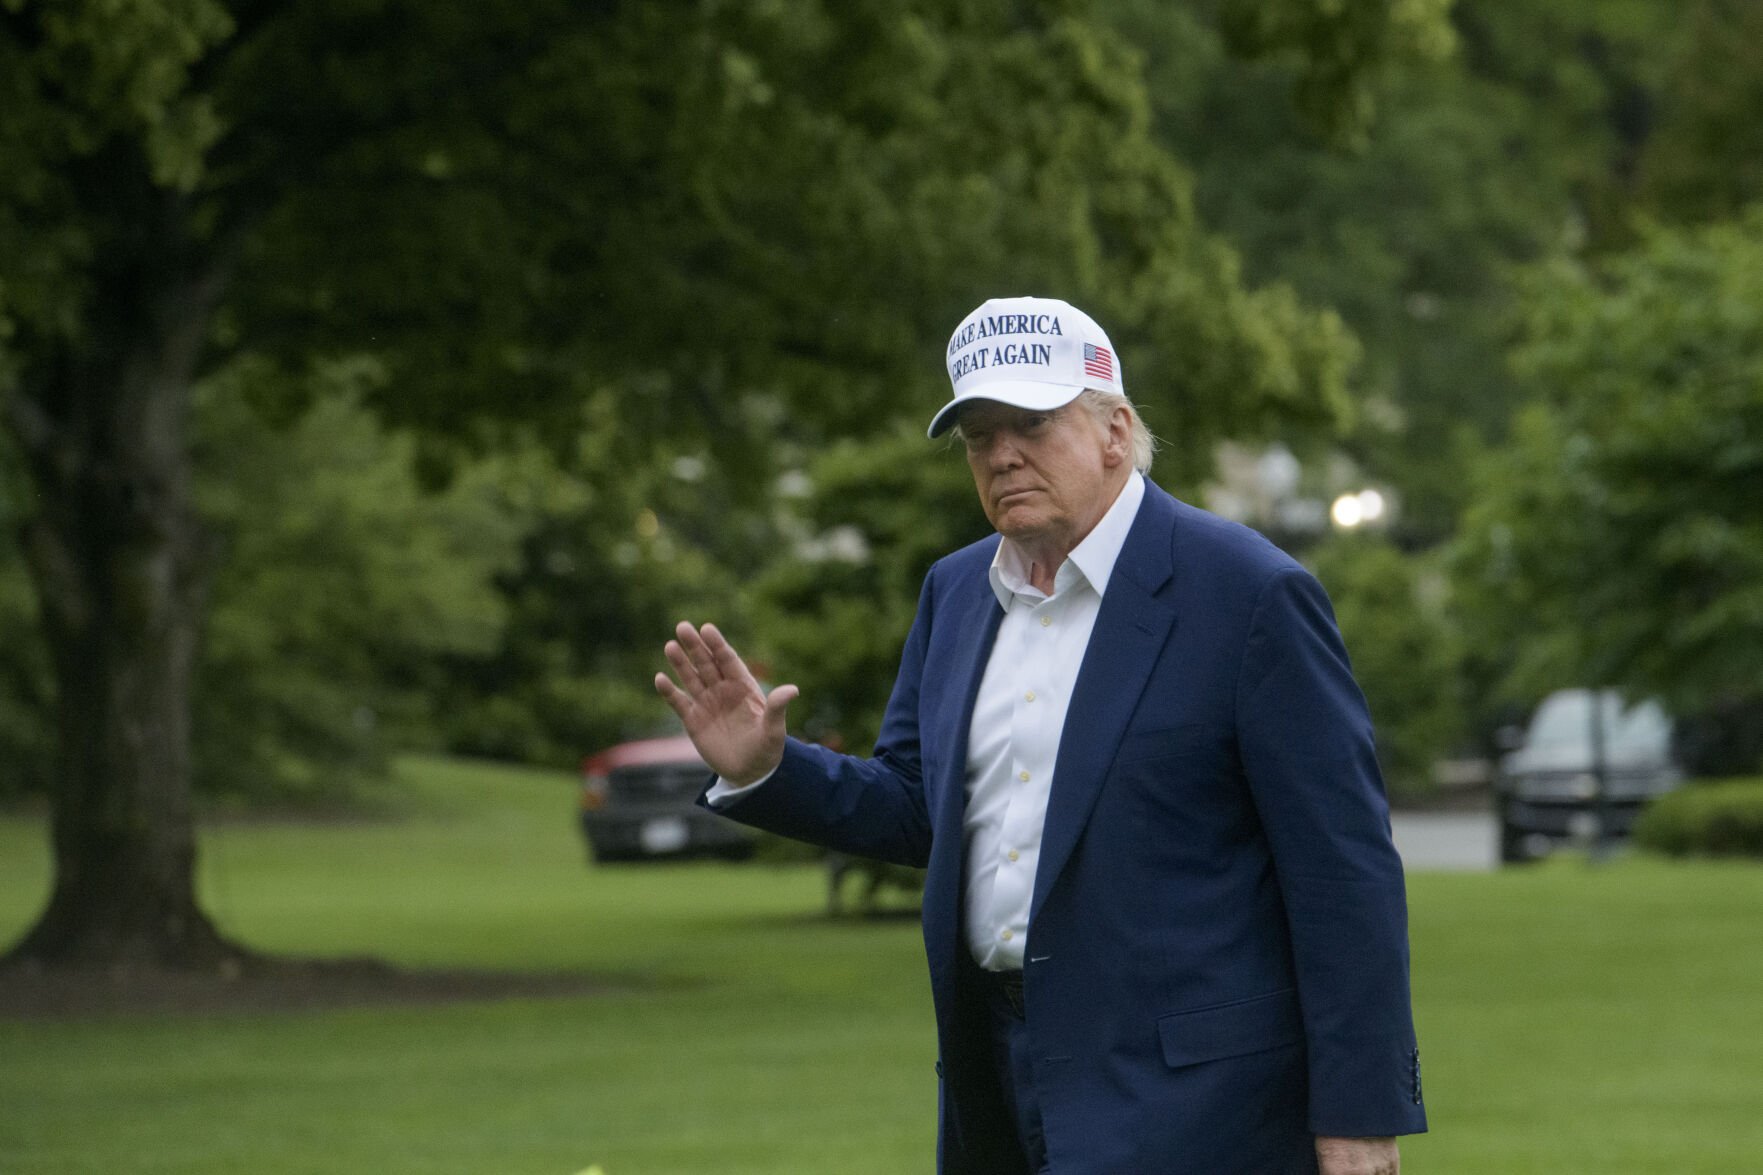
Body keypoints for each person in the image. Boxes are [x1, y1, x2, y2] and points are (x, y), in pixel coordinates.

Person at [655, 296, 1426, 1174]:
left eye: (1029, 421)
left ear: (1113, 429)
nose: (1001, 454)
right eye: (978, 436)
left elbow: (1343, 868)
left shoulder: (1249, 593)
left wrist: (1360, 1115)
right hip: (995, 1079)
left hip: (1201, 1102)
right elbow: (919, 806)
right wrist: (768, 770)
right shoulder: (954, 593)